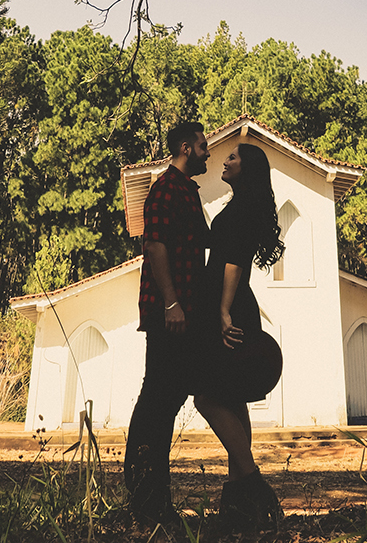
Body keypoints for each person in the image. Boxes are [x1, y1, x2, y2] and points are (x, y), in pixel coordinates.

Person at [192, 142, 286, 530]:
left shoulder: (242, 209)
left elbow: (233, 262)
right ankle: (239, 505)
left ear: (246, 168)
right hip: (230, 303)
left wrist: (223, 310)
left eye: (233, 157)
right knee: (232, 396)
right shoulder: (242, 204)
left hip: (228, 304)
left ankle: (254, 484)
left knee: (207, 397)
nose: (225, 161)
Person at [124, 119, 210, 528]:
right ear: (185, 148)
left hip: (187, 313)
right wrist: (172, 303)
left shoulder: (189, 191)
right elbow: (154, 245)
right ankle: (144, 497)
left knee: (170, 398)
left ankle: (157, 499)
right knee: (157, 398)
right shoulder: (164, 188)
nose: (208, 153)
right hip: (169, 313)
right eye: (203, 146)